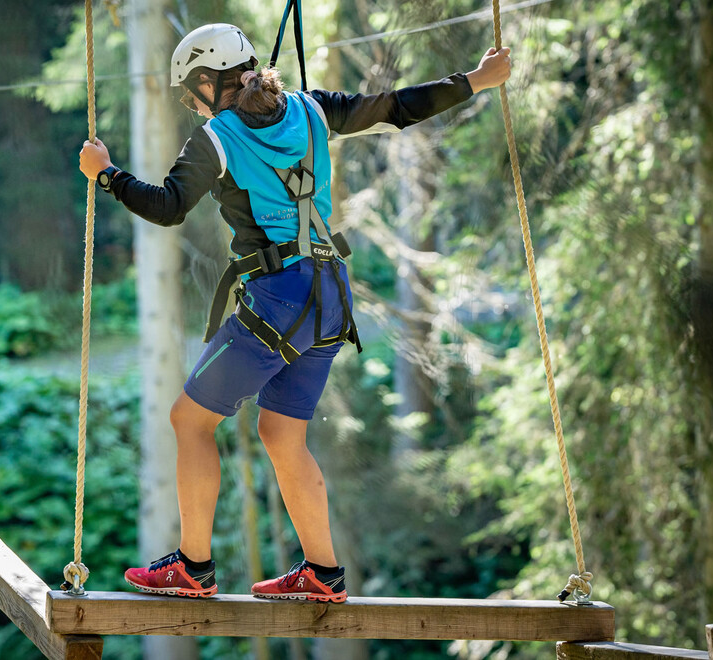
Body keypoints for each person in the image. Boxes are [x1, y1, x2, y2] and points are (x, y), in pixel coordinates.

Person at [79, 23, 510, 603]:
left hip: (279, 298)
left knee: (190, 420)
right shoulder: (311, 110)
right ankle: (322, 573)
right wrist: (476, 81)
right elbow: (395, 108)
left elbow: (166, 206)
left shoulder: (217, 138)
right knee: (282, 433)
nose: (193, 103)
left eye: (193, 91)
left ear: (211, 81)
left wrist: (106, 174)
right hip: (331, 295)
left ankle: (193, 566)